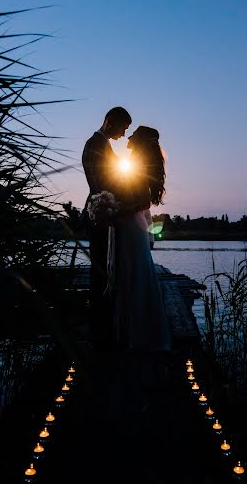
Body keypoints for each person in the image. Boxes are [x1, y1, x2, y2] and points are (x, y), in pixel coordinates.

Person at [110, 125, 172, 357]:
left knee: (135, 276)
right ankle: (128, 333)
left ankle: (141, 336)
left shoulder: (139, 164)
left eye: (134, 134)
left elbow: (141, 202)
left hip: (131, 226)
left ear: (141, 140)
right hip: (131, 225)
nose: (130, 136)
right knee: (130, 274)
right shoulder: (134, 161)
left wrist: (114, 209)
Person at [81, 106, 132, 351]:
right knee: (100, 267)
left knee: (105, 266)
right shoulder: (94, 144)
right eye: (123, 128)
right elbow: (100, 183)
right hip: (101, 212)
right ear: (111, 122)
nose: (123, 135)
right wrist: (110, 205)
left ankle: (103, 322)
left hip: (107, 210)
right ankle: (99, 330)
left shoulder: (103, 144)